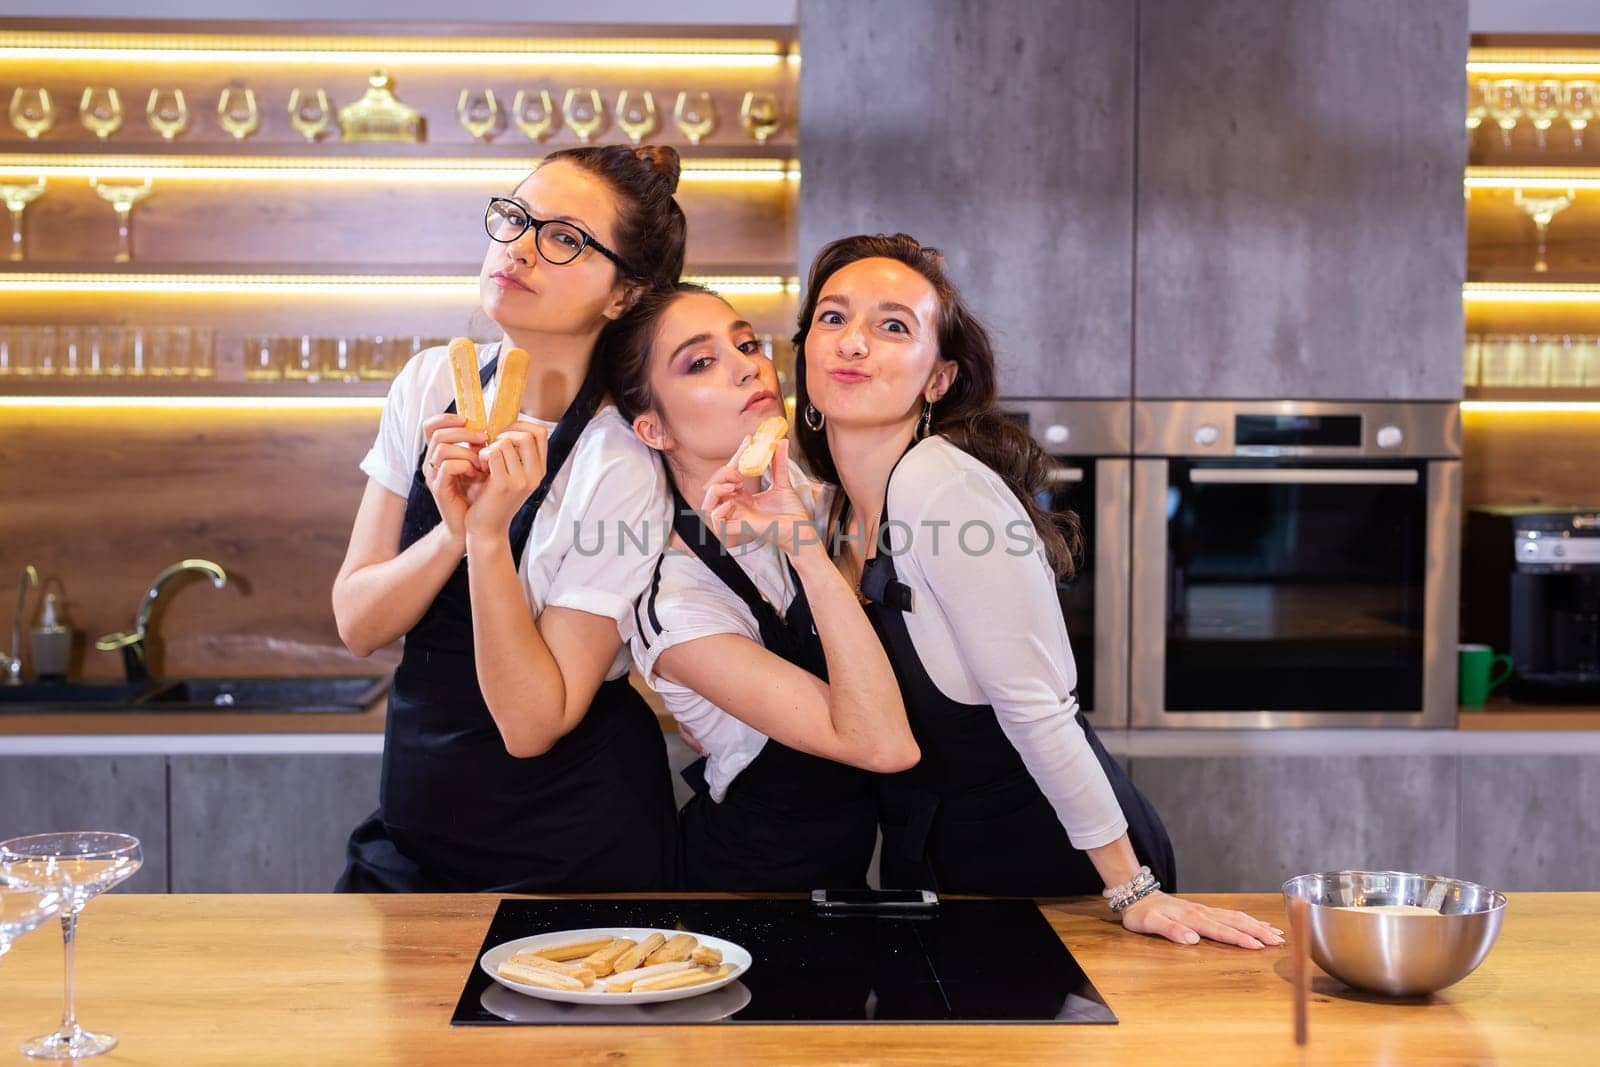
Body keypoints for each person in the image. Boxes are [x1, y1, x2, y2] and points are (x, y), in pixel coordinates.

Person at [792, 234, 1283, 948]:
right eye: (833, 318)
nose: (854, 342)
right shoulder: (835, 508)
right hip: (930, 860)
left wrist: (1133, 890)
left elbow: (1040, 709)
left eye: (893, 325)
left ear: (938, 378)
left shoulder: (942, 486)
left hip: (1056, 867)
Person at [331, 146, 686, 893]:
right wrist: (453, 529)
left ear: (624, 294)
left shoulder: (620, 459)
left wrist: (490, 537)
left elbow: (533, 724)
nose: (519, 247)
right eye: (515, 218)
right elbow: (359, 622)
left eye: (564, 239)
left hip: (570, 846)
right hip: (416, 825)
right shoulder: (430, 383)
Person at [599, 283, 918, 891]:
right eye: (700, 362)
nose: (748, 365)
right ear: (653, 429)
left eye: (745, 343)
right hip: (745, 898)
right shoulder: (678, 603)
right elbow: (881, 744)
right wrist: (808, 554)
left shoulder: (805, 491)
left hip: (848, 878)